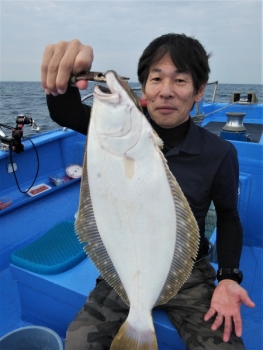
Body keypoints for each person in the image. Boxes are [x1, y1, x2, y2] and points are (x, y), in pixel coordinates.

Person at [41, 34, 255, 350]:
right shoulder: (116, 126)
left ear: (198, 91)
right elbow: (65, 112)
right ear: (144, 88)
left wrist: (227, 278)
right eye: (156, 79)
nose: (165, 91)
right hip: (123, 264)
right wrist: (67, 74)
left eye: (180, 80)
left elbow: (228, 217)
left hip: (188, 270)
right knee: (78, 344)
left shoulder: (219, 153)